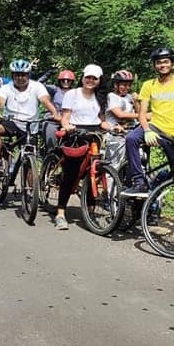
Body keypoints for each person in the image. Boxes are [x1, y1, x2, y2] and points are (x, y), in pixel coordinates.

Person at [121, 47, 174, 238]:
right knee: (131, 138)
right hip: (156, 129)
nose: (162, 65)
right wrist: (147, 130)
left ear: (173, 64)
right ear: (154, 65)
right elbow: (142, 112)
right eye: (159, 62)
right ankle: (139, 181)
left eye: (166, 61)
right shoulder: (148, 85)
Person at [51, 64, 116, 230]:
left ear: (99, 81)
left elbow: (102, 120)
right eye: (88, 77)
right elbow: (65, 118)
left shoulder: (101, 97)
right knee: (71, 174)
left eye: (94, 78)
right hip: (75, 134)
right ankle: (60, 213)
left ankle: (90, 211)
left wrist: (113, 127)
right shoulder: (72, 94)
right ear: (83, 78)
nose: (90, 81)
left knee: (93, 172)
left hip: (94, 135)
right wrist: (68, 126)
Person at [0, 59, 61, 176]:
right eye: (17, 75)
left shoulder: (37, 86)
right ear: (13, 75)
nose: (20, 78)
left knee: (29, 163)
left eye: (23, 75)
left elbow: (45, 101)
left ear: (28, 75)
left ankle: (32, 192)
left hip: (30, 126)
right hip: (11, 122)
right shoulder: (6, 88)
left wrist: (55, 113)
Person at [104, 69, 139, 169]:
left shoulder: (129, 97)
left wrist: (136, 101)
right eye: (123, 85)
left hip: (131, 133)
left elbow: (140, 112)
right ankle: (110, 184)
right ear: (116, 85)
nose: (127, 88)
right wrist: (142, 116)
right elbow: (119, 114)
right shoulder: (111, 96)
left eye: (129, 85)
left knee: (138, 161)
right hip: (116, 134)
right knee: (114, 165)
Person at [42, 67, 76, 150]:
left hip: (69, 122)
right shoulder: (55, 90)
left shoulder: (75, 92)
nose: (65, 82)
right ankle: (50, 158)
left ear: (72, 81)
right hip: (53, 120)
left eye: (68, 80)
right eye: (63, 80)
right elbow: (38, 84)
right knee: (51, 144)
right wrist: (49, 73)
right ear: (59, 81)